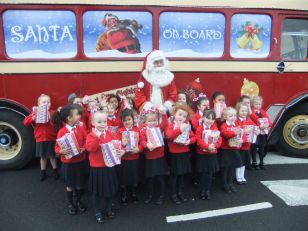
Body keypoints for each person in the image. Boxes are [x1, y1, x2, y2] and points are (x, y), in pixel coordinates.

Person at [85, 110, 124, 223]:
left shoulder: (110, 133)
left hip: (109, 166)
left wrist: (121, 151)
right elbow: (91, 148)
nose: (102, 124)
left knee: (110, 189)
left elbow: (116, 145)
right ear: (93, 122)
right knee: (96, 192)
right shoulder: (91, 135)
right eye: (99, 122)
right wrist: (97, 137)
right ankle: (97, 211)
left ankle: (109, 208)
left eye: (104, 121)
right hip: (97, 168)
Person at [53, 104, 87, 215]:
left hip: (80, 161)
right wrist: (61, 151)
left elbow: (87, 140)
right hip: (68, 164)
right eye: (77, 114)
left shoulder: (80, 128)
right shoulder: (62, 132)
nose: (80, 116)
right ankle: (70, 203)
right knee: (70, 185)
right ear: (69, 118)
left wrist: (84, 148)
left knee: (79, 184)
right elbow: (57, 147)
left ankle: (78, 201)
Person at [165, 103, 195, 204]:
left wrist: (189, 142)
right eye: (180, 114)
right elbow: (169, 136)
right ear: (174, 114)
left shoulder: (187, 126)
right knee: (175, 175)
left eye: (184, 116)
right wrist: (179, 130)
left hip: (184, 152)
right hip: (175, 154)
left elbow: (193, 137)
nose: (181, 117)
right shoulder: (171, 125)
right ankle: (173, 194)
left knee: (182, 174)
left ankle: (180, 192)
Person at [23, 94, 58, 181]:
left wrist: (51, 118)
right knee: (42, 157)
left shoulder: (53, 112)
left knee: (52, 156)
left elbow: (58, 124)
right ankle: (43, 172)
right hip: (41, 138)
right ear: (38, 104)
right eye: (44, 102)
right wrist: (33, 118)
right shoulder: (35, 112)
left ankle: (55, 171)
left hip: (51, 138)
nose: (46, 104)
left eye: (48, 102)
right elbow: (25, 122)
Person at [140, 107, 168, 205]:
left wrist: (164, 114)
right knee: (150, 178)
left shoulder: (158, 128)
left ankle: (161, 195)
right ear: (145, 121)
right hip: (150, 158)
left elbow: (165, 124)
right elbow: (142, 140)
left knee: (160, 178)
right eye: (149, 121)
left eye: (154, 120)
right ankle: (150, 194)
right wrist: (147, 144)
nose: (152, 123)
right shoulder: (143, 130)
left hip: (160, 157)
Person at [117, 108, 143, 206]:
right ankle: (124, 194)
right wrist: (122, 144)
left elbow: (141, 143)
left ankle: (133, 193)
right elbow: (116, 145)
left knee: (134, 176)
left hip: (134, 158)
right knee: (123, 177)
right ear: (122, 121)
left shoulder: (137, 130)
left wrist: (138, 149)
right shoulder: (119, 131)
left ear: (133, 119)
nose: (127, 122)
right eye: (125, 120)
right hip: (124, 159)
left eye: (129, 119)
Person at [195, 109, 222, 200]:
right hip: (202, 154)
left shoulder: (215, 128)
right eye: (208, 118)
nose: (210, 120)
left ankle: (208, 190)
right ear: (203, 118)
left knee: (210, 173)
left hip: (212, 154)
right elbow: (198, 140)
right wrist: (207, 146)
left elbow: (219, 139)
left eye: (212, 119)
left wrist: (215, 146)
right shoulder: (199, 128)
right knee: (203, 173)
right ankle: (202, 190)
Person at [219, 107, 245, 193]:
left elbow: (242, 135)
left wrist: (242, 140)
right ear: (225, 117)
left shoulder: (236, 125)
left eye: (234, 115)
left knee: (232, 168)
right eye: (231, 116)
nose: (233, 117)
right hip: (226, 150)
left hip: (234, 150)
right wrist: (234, 133)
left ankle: (230, 183)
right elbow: (225, 134)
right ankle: (224, 184)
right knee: (225, 168)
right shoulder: (224, 125)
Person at [235, 102, 259, 184]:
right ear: (238, 111)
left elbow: (255, 127)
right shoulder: (236, 120)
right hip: (239, 146)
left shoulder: (249, 120)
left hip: (246, 145)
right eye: (242, 111)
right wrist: (243, 131)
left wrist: (257, 131)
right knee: (239, 162)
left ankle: (242, 176)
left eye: (245, 111)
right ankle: (238, 177)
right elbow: (235, 131)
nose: (244, 112)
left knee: (244, 162)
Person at [250, 96, 272, 170]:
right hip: (256, 132)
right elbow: (252, 120)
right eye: (256, 104)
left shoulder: (262, 111)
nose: (258, 106)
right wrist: (259, 125)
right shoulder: (251, 112)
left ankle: (262, 162)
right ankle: (254, 162)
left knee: (262, 147)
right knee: (254, 147)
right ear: (252, 104)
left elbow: (268, 119)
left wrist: (267, 124)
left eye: (259, 104)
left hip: (262, 133)